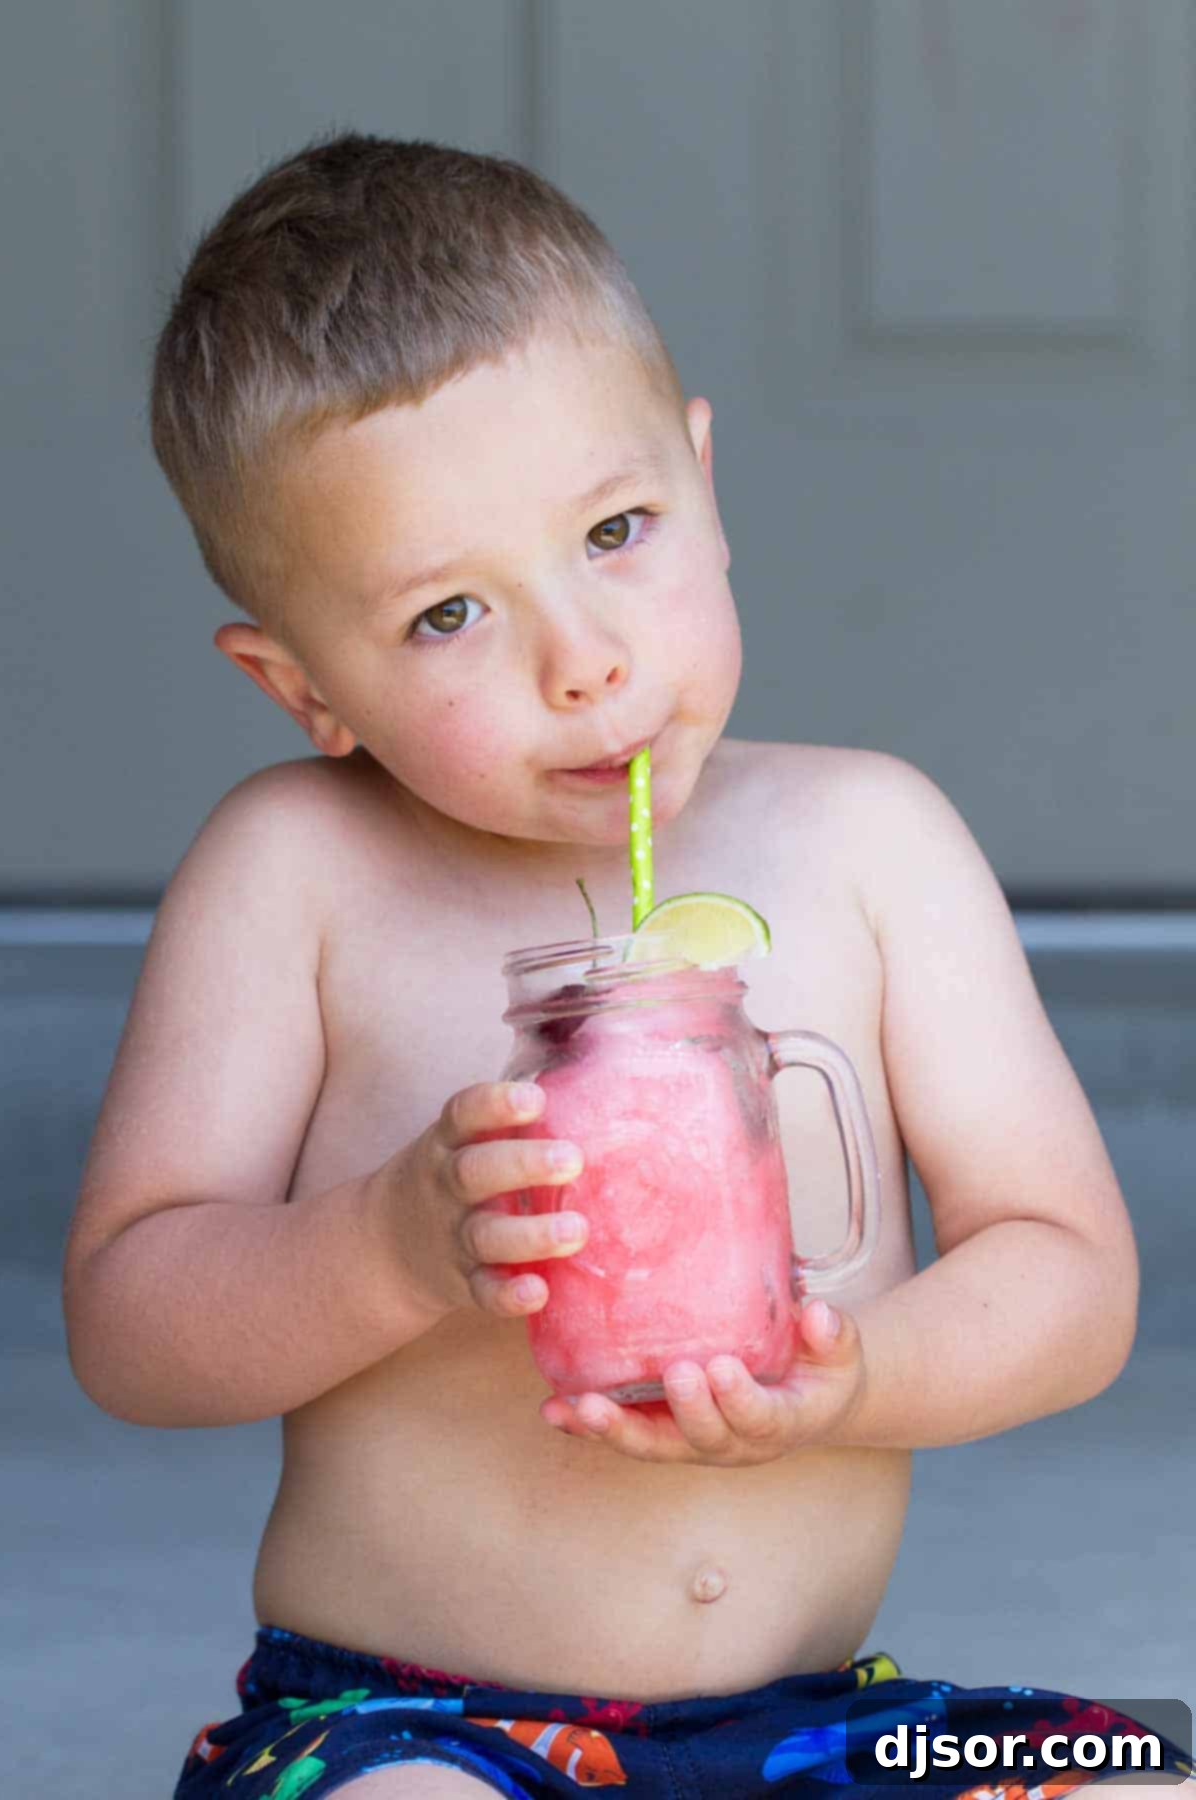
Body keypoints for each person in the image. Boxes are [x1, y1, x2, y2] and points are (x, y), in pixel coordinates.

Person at [62, 134, 1189, 1800]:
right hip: (410, 1715)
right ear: (304, 687)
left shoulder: (873, 841)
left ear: (705, 481)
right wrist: (383, 1246)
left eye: (618, 529)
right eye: (450, 616)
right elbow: (131, 1324)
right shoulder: (293, 872)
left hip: (811, 1719)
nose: (585, 665)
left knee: (1137, 1775)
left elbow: (1071, 1275)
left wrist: (860, 1380)